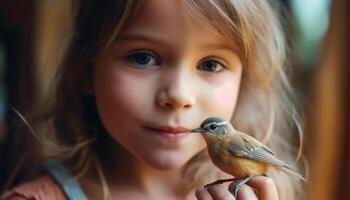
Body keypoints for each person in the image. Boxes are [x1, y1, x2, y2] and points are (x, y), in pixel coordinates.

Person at [1, 0, 305, 199]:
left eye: (211, 64)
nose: (178, 96)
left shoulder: (248, 192)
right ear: (84, 71)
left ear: (244, 81)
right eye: (143, 57)